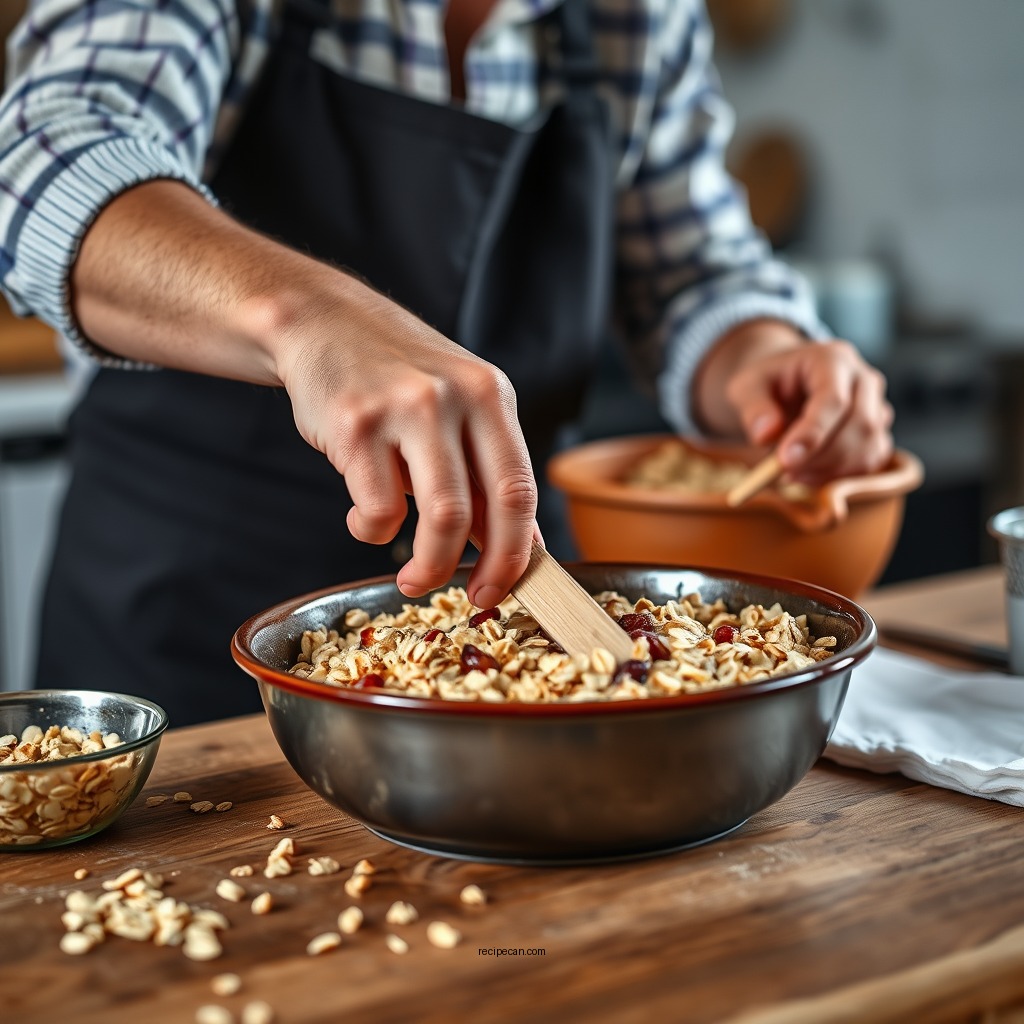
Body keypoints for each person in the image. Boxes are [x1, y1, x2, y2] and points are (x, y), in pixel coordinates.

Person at [0, 0, 892, 726]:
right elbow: (44, 158)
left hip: (512, 614)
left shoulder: (637, 17)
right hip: (177, 626)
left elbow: (690, 268)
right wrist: (309, 316)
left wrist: (763, 356)